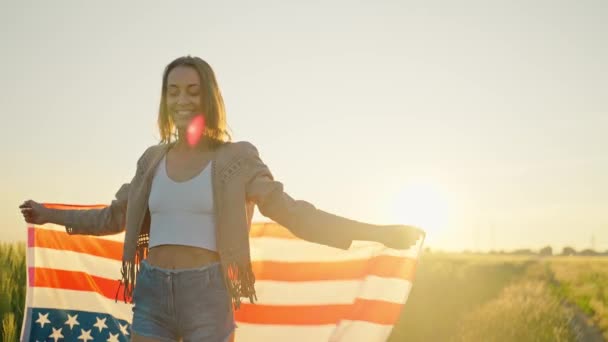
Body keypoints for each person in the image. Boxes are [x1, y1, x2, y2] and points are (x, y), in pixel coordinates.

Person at [19, 55, 425, 342]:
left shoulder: (237, 160)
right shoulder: (150, 160)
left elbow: (292, 213)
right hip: (152, 290)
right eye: (173, 91)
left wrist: (377, 231)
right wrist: (46, 215)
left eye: (192, 91)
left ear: (208, 97)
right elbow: (114, 217)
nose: (182, 100)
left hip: (208, 293)